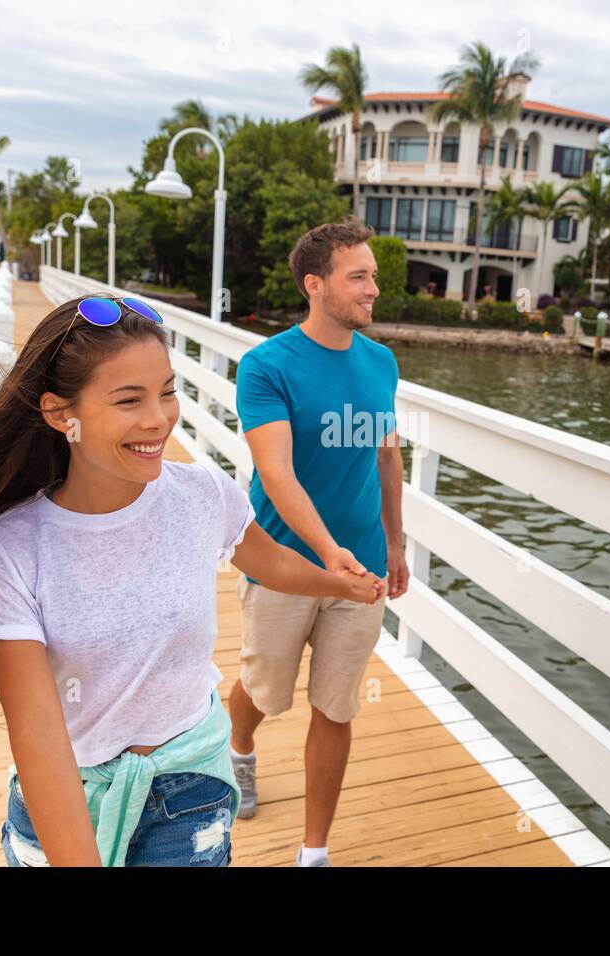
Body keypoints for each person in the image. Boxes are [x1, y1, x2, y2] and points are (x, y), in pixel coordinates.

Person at [0, 294, 384, 867]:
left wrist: (338, 582)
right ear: (62, 414)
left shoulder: (203, 495)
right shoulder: (11, 547)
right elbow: (38, 739)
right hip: (69, 790)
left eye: (166, 391)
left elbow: (267, 561)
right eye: (129, 399)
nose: (159, 418)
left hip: (189, 787)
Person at [228, 219, 410, 867]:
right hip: (284, 565)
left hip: (361, 569)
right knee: (265, 688)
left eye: (374, 275)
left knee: (336, 707)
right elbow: (274, 474)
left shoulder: (381, 362)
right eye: (358, 276)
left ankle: (314, 851)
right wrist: (326, 554)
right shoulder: (267, 366)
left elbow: (388, 458)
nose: (373, 288)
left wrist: (395, 542)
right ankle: (240, 750)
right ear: (316, 285)